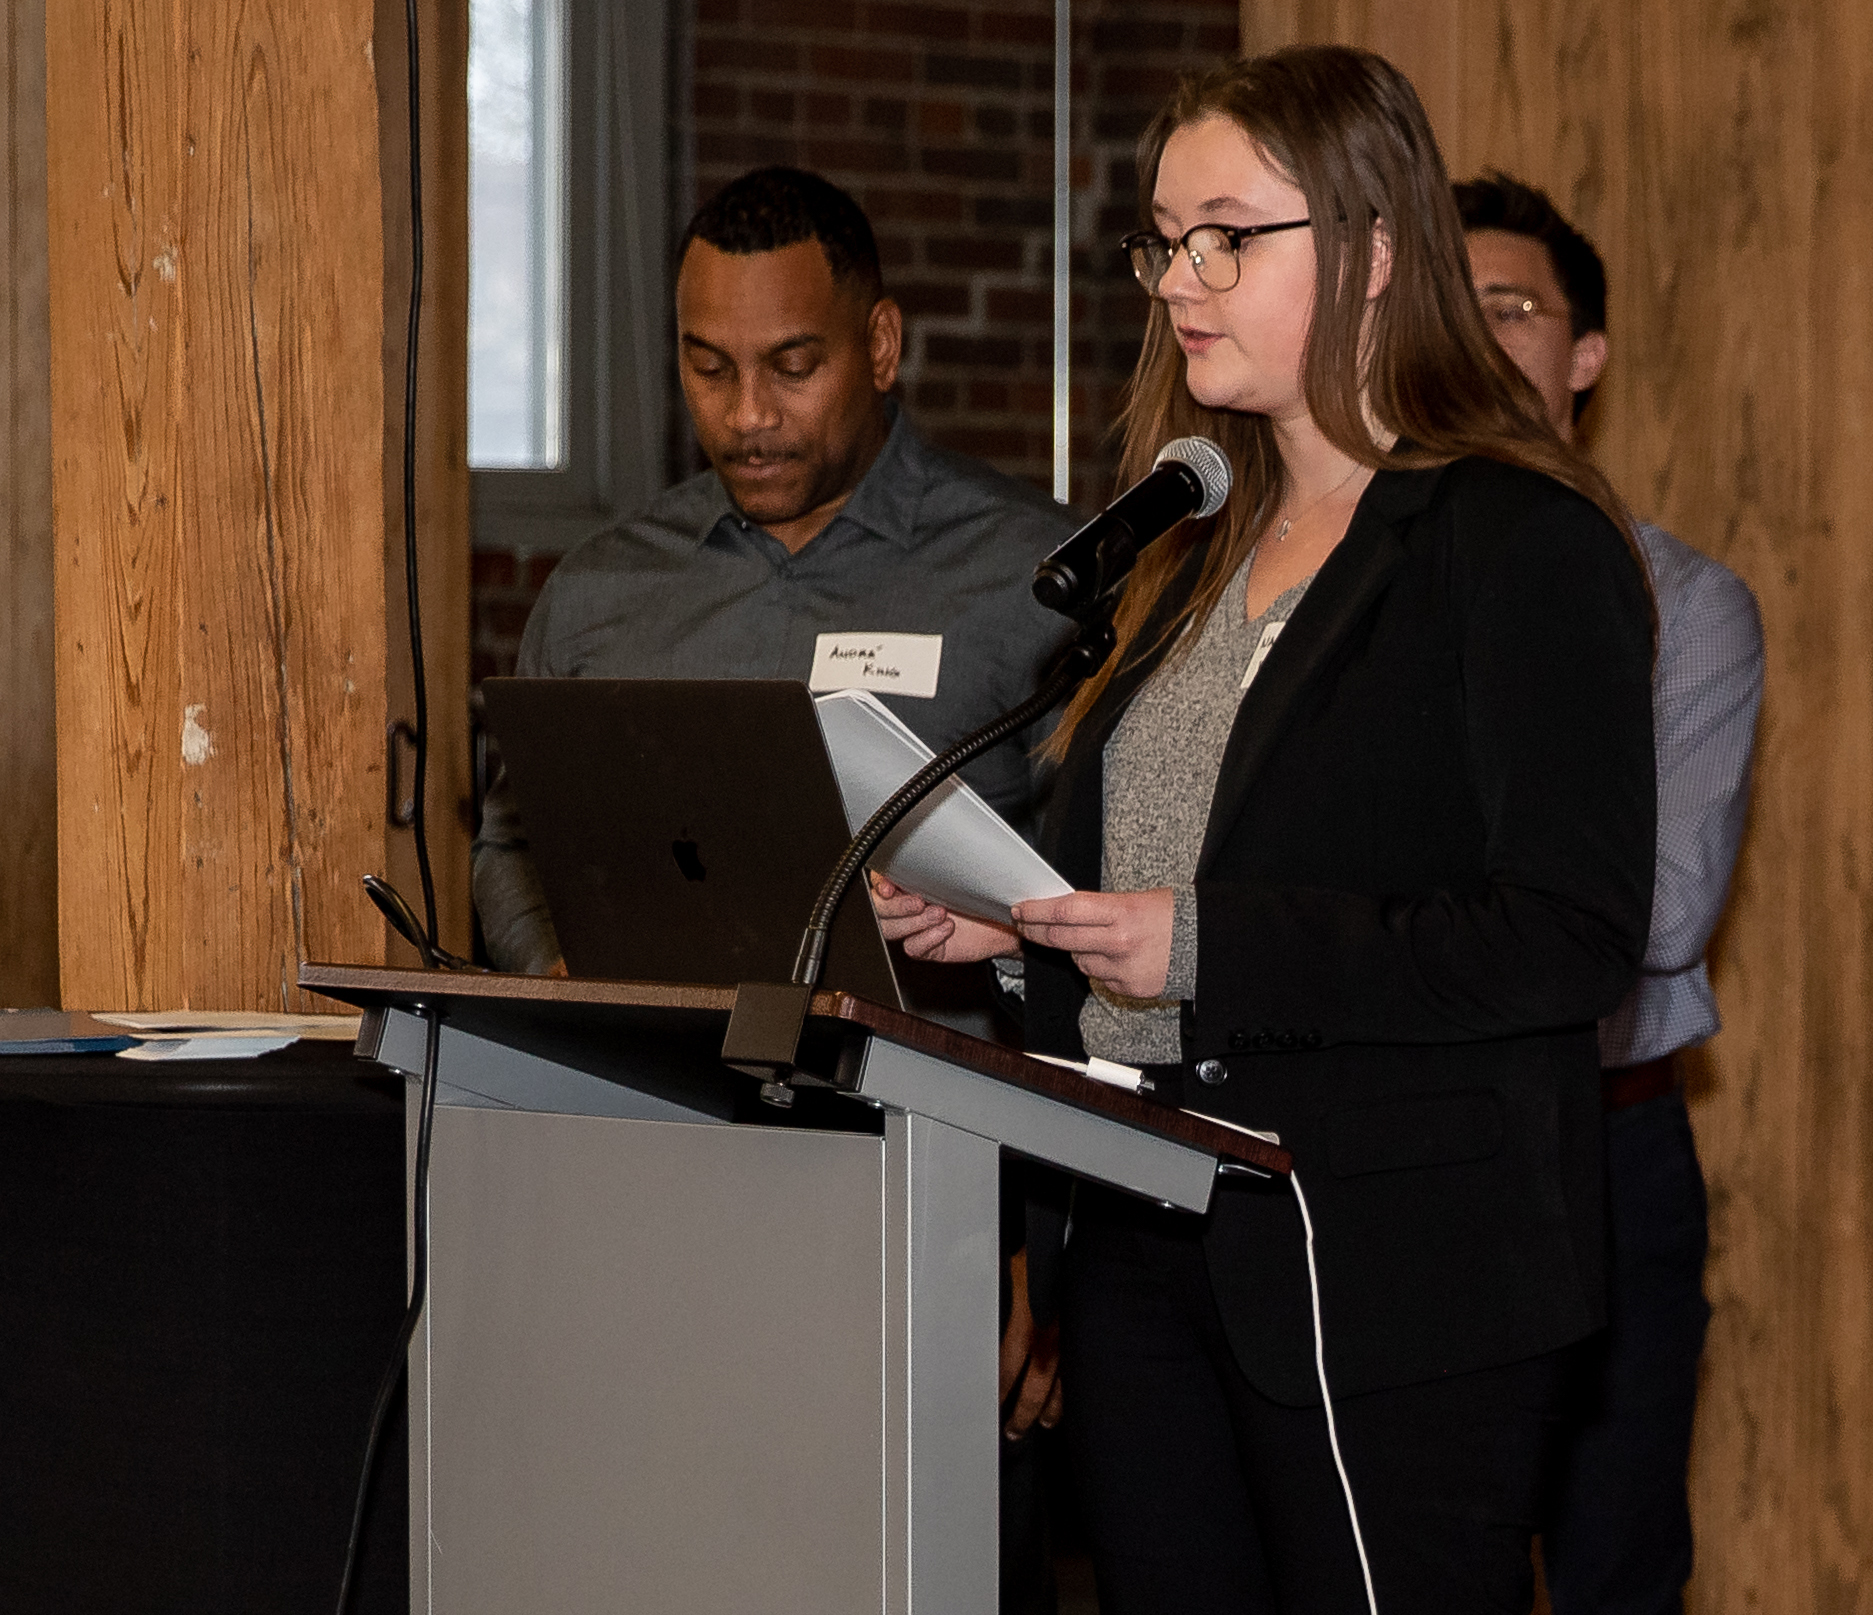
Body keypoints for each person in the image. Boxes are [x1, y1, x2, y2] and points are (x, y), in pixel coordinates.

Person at [868, 44, 1655, 1615]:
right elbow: (1172, 872)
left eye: (1229, 234)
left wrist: (1207, 944)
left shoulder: (1513, 538)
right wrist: (1017, 914)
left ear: (1370, 252)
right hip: (1154, 1239)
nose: (1180, 279)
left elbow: (1567, 931)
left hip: (1391, 1262)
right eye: (1164, 240)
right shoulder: (1187, 540)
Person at [470, 164, 1077, 975]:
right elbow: (515, 843)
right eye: (710, 368)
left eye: (793, 368)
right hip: (646, 1091)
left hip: (927, 1093)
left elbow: (1108, 889)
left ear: (881, 346)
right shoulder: (598, 591)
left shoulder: (1040, 580)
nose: (748, 414)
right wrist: (558, 978)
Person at [1454, 170, 1763, 1615]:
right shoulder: (1345, 590)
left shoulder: (1680, 607)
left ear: (1587, 354)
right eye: (1448, 305)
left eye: (1511, 305)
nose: (1476, 332)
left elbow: (1646, 919)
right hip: (1395, 1150)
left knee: (1616, 1559)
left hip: (1603, 1137)